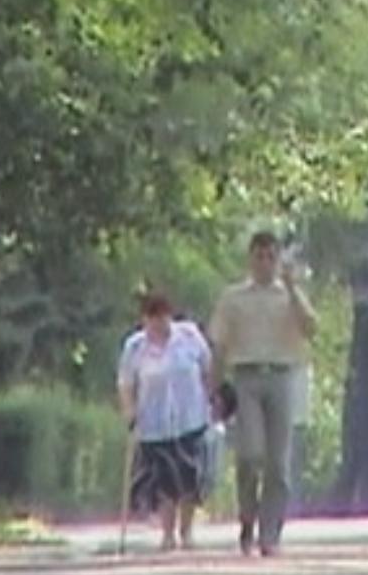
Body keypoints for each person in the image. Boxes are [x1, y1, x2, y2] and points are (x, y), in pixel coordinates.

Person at [208, 232, 317, 557]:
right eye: (260, 256)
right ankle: (247, 519)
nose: (265, 263)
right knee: (250, 455)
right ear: (251, 259)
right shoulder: (233, 297)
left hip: (282, 375)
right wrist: (214, 386)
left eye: (271, 257)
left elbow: (311, 328)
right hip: (247, 376)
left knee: (278, 463)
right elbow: (219, 343)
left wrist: (293, 288)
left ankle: (270, 533)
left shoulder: (290, 296)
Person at [117, 290, 214, 551]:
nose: (157, 323)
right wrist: (129, 410)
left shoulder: (189, 336)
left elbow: (207, 368)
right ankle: (168, 532)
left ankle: (187, 531)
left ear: (169, 316)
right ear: (144, 319)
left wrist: (212, 401)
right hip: (154, 424)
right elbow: (126, 383)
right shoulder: (135, 346)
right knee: (163, 481)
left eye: (162, 317)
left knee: (189, 478)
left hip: (189, 417)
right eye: (151, 318)